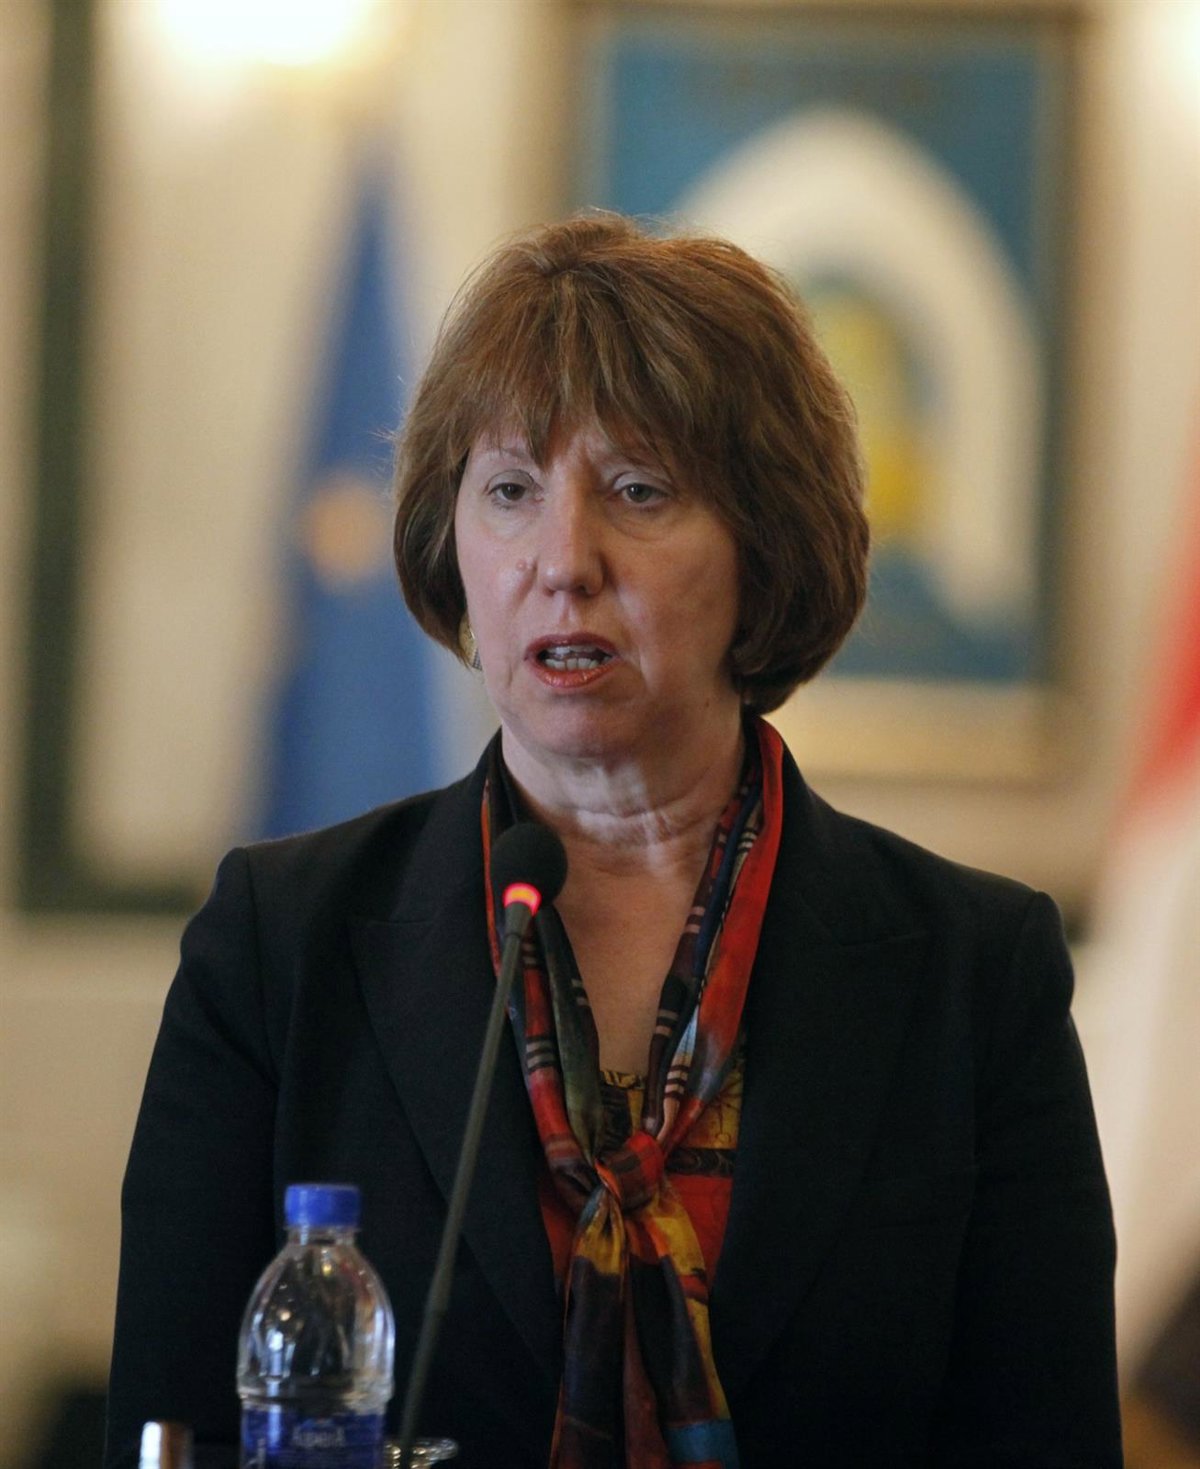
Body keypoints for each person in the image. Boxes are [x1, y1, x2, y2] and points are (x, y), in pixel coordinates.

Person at [106, 213, 1121, 1468]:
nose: (563, 561)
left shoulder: (975, 973)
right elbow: (171, 1432)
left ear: (767, 542)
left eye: (638, 490)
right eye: (511, 491)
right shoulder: (279, 945)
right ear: (449, 537)